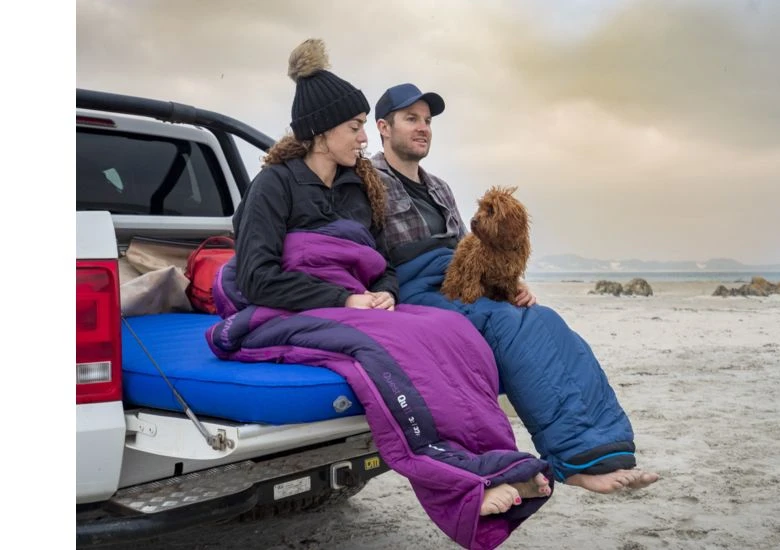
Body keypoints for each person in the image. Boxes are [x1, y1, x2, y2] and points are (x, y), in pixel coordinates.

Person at [224, 40, 553, 546]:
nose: (363, 137)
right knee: (399, 346)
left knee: (449, 328)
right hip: (286, 308)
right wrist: (345, 300)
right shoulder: (274, 185)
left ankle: (497, 459)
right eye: (355, 127)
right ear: (321, 132)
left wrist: (383, 292)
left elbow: (380, 263)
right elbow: (256, 278)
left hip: (355, 304)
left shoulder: (357, 188)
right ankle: (463, 481)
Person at [371, 83, 659, 494]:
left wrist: (507, 283)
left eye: (428, 121)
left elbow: (472, 249)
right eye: (411, 119)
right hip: (413, 289)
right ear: (384, 127)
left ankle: (607, 450)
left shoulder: (439, 188)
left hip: (456, 282)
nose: (423, 128)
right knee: (506, 323)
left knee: (544, 318)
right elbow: (363, 251)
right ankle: (576, 461)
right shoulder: (370, 182)